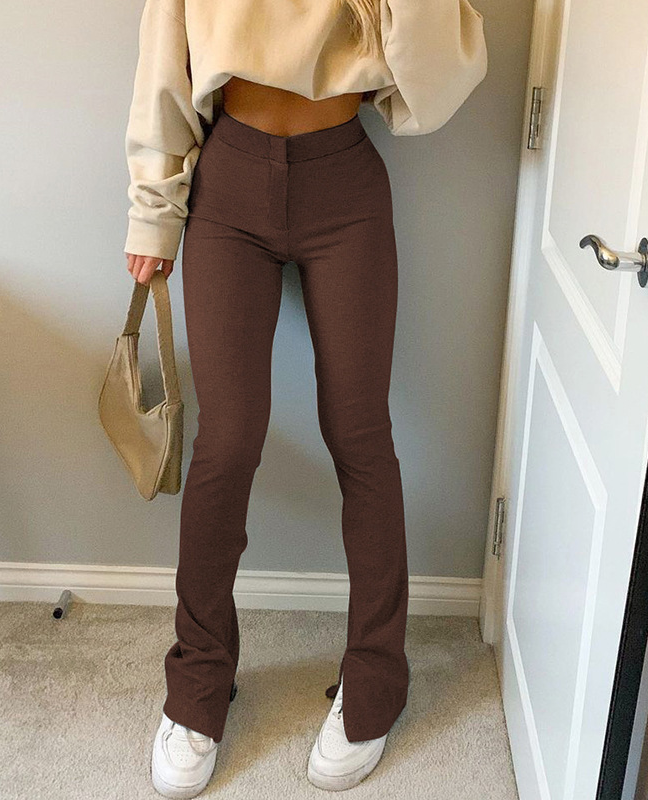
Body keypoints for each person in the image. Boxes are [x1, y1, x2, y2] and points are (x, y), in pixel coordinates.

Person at [122, 0, 488, 795]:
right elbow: (164, 71)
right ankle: (198, 684)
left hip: (344, 179)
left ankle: (375, 682)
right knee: (228, 443)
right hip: (226, 180)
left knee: (361, 436)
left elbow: (442, 80)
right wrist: (153, 215)